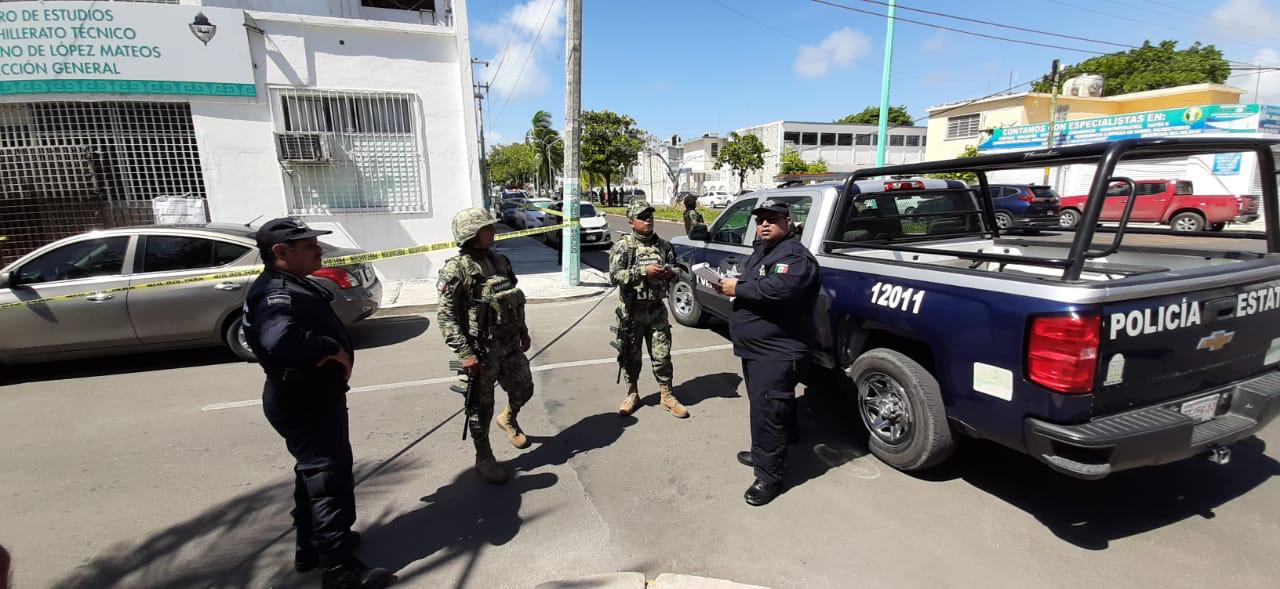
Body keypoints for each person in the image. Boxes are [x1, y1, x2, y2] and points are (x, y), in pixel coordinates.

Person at [243, 218, 393, 588]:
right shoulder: (276, 293)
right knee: (328, 479)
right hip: (305, 400)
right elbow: (282, 341)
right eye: (309, 246)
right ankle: (340, 572)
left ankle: (312, 546)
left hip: (304, 396)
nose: (320, 250)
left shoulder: (287, 283)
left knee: (312, 472)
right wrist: (331, 350)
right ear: (281, 253)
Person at [715, 201, 819, 506]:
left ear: (788, 222)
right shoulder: (766, 250)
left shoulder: (795, 256)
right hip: (757, 347)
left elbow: (778, 289)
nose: (763, 224)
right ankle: (767, 450)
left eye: (771, 219)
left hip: (776, 350)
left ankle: (768, 476)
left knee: (768, 412)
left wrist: (737, 288)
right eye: (760, 220)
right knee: (770, 408)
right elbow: (758, 280)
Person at [438, 208, 535, 485]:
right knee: (481, 408)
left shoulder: (501, 261)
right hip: (480, 352)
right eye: (485, 228)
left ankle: (509, 418)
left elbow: (515, 300)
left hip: (509, 345)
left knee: (524, 389)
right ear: (470, 235)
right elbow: (445, 316)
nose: (492, 232)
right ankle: (484, 457)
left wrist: (523, 331)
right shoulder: (456, 270)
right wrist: (464, 353)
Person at [608, 201, 689, 419]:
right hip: (631, 314)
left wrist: (669, 272)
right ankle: (632, 393)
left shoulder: (663, 246)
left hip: (656, 311)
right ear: (631, 222)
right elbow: (615, 275)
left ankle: (667, 395)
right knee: (630, 358)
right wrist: (644, 271)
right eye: (642, 217)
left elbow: (679, 270)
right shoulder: (624, 246)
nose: (648, 220)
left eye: (650, 216)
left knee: (662, 356)